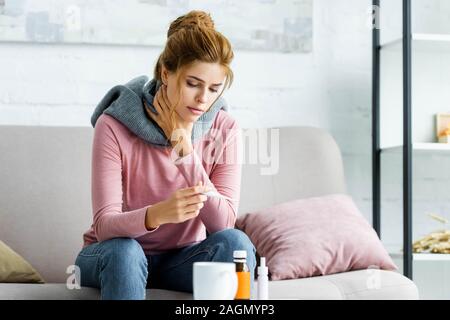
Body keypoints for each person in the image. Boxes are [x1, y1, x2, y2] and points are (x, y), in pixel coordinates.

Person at [74, 10, 256, 300]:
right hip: (114, 254)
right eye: (193, 84)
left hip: (181, 260)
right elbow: (105, 226)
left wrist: (182, 145)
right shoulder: (114, 124)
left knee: (236, 245)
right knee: (125, 252)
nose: (203, 99)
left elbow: (222, 224)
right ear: (166, 73)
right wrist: (157, 214)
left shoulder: (224, 128)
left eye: (213, 89)